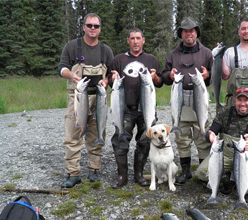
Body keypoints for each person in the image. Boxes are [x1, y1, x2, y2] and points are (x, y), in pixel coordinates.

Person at [58, 13, 114, 188]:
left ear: (100, 29)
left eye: (96, 26)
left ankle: (94, 170)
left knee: (97, 133)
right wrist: (70, 74)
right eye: (89, 25)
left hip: (99, 97)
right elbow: (62, 68)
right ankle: (73, 173)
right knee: (73, 135)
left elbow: (112, 74)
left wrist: (107, 81)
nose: (92, 29)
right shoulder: (72, 46)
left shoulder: (106, 50)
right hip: (77, 96)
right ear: (83, 27)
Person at [108, 28, 163, 188]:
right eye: (132, 38)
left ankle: (138, 174)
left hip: (147, 109)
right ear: (128, 41)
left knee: (146, 140)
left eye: (138, 38)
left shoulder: (151, 59)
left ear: (143, 40)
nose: (135, 41)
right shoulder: (119, 59)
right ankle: (122, 176)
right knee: (120, 141)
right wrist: (111, 79)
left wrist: (156, 77)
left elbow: (159, 82)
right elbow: (113, 83)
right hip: (125, 109)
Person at [162, 17, 213, 185]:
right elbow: (164, 77)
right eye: (185, 31)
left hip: (200, 97)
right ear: (181, 34)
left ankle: (203, 171)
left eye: (192, 30)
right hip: (179, 97)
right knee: (182, 138)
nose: (189, 33)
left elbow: (215, 76)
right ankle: (186, 171)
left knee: (202, 136)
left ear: (196, 33)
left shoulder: (206, 53)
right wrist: (169, 75)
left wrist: (208, 76)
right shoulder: (173, 54)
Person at [196, 88, 248, 204]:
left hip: (247, 155)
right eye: (239, 100)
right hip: (225, 154)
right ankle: (226, 179)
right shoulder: (224, 114)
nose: (242, 103)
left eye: (246, 100)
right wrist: (211, 136)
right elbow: (212, 131)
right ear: (234, 101)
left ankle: (243, 188)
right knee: (201, 173)